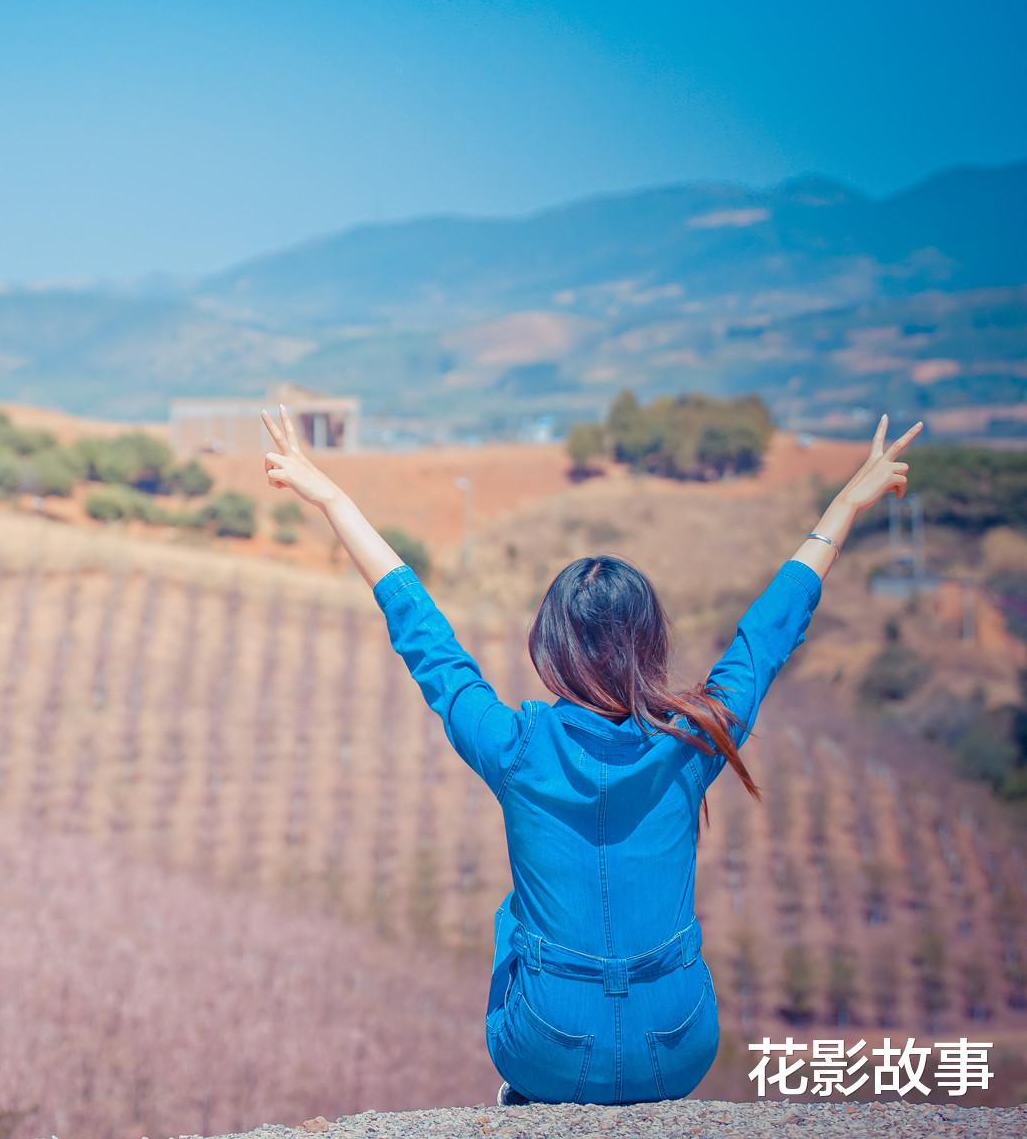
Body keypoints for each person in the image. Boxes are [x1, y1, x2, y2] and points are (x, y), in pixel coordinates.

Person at [261, 406, 921, 1105]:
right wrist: (847, 502)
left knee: (517, 916)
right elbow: (768, 633)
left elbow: (425, 637)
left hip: (550, 1044)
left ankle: (536, 1102)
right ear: (651, 642)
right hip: (679, 1044)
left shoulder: (515, 747)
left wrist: (332, 498)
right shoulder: (697, 737)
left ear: (550, 649)